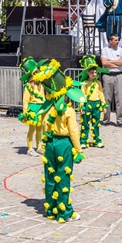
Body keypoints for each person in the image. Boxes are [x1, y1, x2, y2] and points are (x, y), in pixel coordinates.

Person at [34, 59, 86, 223]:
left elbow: (43, 126)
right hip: (64, 145)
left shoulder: (46, 108)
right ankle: (64, 213)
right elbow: (74, 132)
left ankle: (51, 210)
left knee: (50, 177)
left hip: (50, 144)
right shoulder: (69, 111)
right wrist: (78, 150)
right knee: (63, 177)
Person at [78, 55, 109, 148]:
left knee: (96, 123)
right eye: (92, 72)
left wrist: (103, 105)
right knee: (85, 123)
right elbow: (82, 95)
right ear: (87, 72)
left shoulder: (98, 83)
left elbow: (101, 94)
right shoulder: (84, 83)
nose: (94, 74)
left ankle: (96, 140)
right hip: (87, 104)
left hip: (96, 104)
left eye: (95, 72)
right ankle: (83, 141)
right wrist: (82, 106)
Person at [18, 57, 47, 157]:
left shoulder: (41, 85)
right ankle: (30, 149)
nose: (37, 75)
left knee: (40, 129)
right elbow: (25, 100)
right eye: (35, 73)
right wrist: (25, 112)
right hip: (33, 108)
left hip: (41, 108)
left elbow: (43, 97)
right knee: (32, 129)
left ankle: (39, 147)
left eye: (38, 73)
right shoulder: (28, 86)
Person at [101, 34, 122, 127]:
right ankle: (106, 119)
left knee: (119, 98)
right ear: (110, 41)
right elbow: (104, 63)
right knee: (107, 98)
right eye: (115, 40)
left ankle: (120, 120)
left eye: (118, 40)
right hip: (108, 75)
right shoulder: (105, 50)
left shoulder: (121, 50)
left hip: (118, 75)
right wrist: (117, 63)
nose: (117, 41)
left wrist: (110, 61)